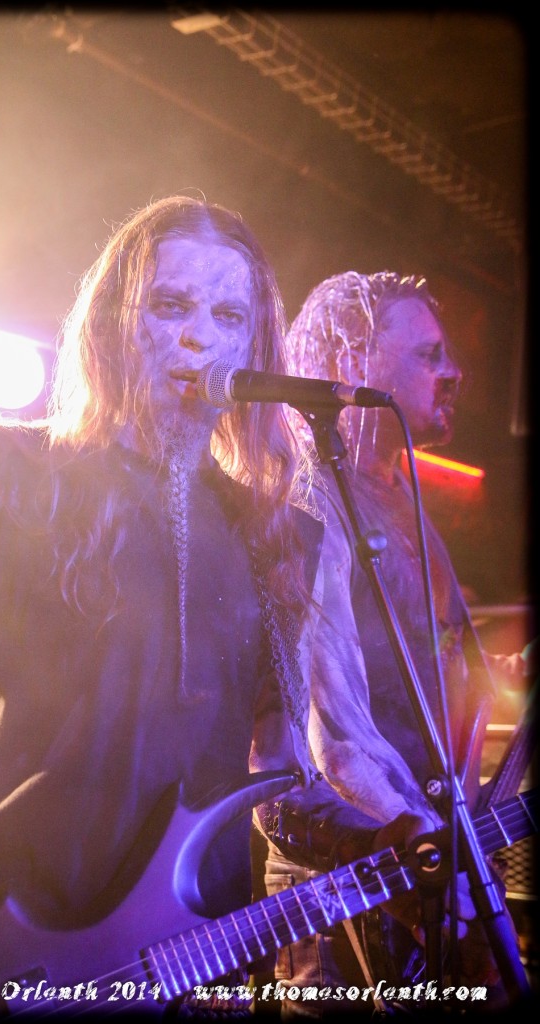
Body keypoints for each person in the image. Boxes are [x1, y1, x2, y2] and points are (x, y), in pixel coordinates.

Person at [0, 200, 429, 1017]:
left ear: (254, 347)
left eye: (228, 316)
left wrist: (393, 837)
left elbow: (287, 787)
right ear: (112, 328)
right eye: (171, 306)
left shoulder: (287, 541)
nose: (199, 339)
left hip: (178, 972)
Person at [263, 270, 531, 1015]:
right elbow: (335, 735)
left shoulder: (402, 498)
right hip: (352, 875)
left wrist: (501, 670)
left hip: (424, 856)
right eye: (429, 355)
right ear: (350, 362)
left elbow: (434, 660)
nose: (455, 373)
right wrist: (439, 866)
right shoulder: (312, 498)